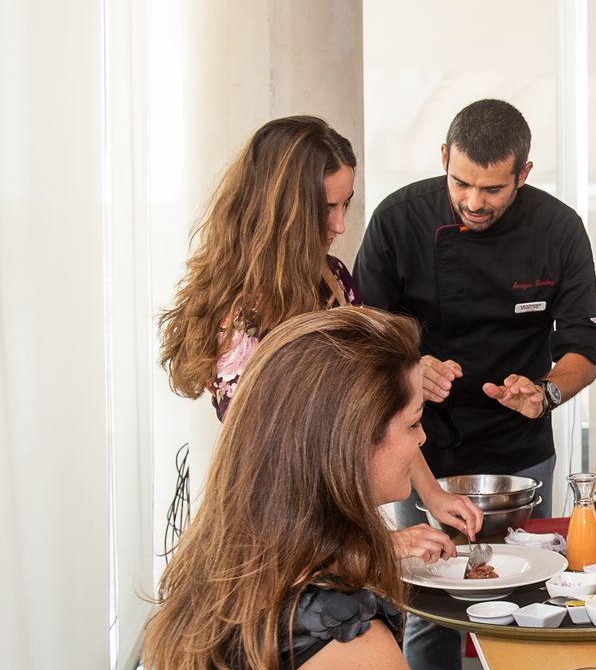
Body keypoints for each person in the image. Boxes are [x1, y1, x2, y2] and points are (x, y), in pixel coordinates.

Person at [143, 307, 533, 670]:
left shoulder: (229, 562)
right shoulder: (334, 636)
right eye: (413, 422)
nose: (422, 438)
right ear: (352, 442)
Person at [355, 99, 596, 670]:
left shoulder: (558, 229)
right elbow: (363, 342)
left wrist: (545, 391)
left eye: (493, 188)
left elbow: (584, 349)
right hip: (420, 446)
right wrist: (411, 368)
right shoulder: (398, 220)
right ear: (444, 159)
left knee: (528, 591)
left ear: (523, 172)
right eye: (462, 182)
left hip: (517, 444)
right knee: (432, 606)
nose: (474, 200)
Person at [157, 116, 479, 565]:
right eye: (327, 208)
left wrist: (432, 494)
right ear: (282, 208)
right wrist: (378, 544)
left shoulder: (335, 282)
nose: (341, 225)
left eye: (345, 204)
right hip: (278, 551)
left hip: (333, 533)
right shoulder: (241, 317)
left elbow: (381, 412)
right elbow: (273, 481)